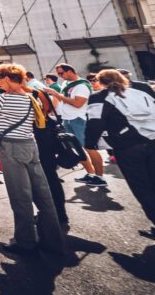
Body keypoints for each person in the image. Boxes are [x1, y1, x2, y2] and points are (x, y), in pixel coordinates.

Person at [0, 65, 64, 257]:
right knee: (43, 195)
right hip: (30, 146)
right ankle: (52, 239)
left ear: (7, 78)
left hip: (13, 148)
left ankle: (26, 243)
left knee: (20, 196)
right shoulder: (29, 97)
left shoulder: (5, 98)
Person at [86, 70, 155, 239]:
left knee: (142, 186)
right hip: (153, 140)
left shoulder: (100, 96)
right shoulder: (143, 88)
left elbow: (95, 123)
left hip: (127, 146)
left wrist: (90, 143)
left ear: (101, 82)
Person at [44, 63, 104, 187]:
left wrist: (55, 94)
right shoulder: (66, 84)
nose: (60, 76)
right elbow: (64, 100)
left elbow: (78, 103)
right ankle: (91, 174)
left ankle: (99, 177)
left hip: (79, 119)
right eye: (58, 74)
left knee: (90, 148)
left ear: (70, 71)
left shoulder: (81, 85)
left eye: (61, 73)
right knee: (77, 149)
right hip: (68, 119)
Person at [27, 85, 69, 229]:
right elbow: (48, 108)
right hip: (47, 139)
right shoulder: (37, 93)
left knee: (41, 180)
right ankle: (59, 213)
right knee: (51, 178)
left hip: (39, 140)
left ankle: (51, 214)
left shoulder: (30, 93)